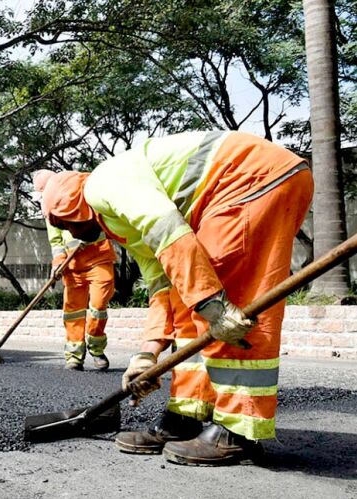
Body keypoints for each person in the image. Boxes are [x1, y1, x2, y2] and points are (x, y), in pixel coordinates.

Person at [40, 131, 312, 466]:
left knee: (227, 301)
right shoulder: (115, 219)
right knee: (188, 300)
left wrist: (211, 302)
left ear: (74, 209)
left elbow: (167, 229)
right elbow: (163, 287)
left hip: (248, 180)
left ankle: (237, 430)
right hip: (245, 185)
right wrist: (146, 355)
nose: (70, 236)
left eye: (67, 225)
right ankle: (186, 414)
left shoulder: (104, 185)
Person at [33, 170, 116, 370]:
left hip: (99, 260)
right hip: (72, 267)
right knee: (73, 311)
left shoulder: (85, 192)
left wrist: (88, 237)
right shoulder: (49, 209)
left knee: (98, 307)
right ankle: (74, 355)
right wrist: (58, 263)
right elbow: (56, 242)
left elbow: (109, 224)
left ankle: (96, 349)